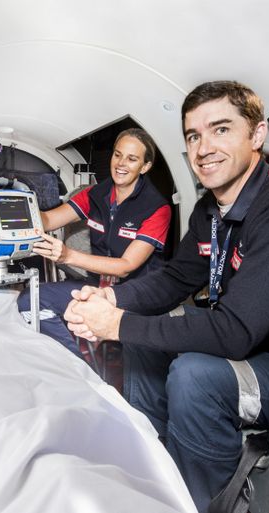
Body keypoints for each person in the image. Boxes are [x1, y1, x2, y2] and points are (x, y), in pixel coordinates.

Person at [63, 81, 269, 511]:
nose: (203, 148)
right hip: (257, 345)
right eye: (194, 136)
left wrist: (117, 324)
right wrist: (114, 302)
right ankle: (156, 464)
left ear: (256, 136)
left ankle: (202, 501)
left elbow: (235, 333)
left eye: (220, 130)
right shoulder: (210, 209)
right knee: (145, 344)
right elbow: (177, 277)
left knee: (196, 376)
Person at [18, 128, 171, 357]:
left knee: (138, 358)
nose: (121, 164)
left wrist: (68, 256)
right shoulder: (95, 195)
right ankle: (74, 366)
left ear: (145, 166)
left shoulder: (157, 208)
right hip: (97, 287)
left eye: (132, 159)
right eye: (117, 155)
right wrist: (16, 205)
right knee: (31, 300)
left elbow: (126, 264)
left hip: (136, 295)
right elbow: (49, 220)